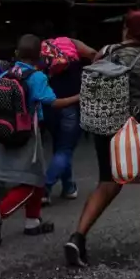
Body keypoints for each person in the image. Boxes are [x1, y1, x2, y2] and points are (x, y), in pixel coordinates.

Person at [64, 9, 140, 268]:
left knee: (108, 182)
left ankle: (78, 238)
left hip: (107, 126)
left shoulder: (105, 52)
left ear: (126, 29)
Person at [0, 35, 74, 246]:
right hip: (27, 133)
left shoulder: (5, 73)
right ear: (39, 56)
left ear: (17, 53)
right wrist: (79, 98)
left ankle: (32, 221)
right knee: (31, 182)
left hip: (7, 131)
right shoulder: (37, 77)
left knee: (36, 176)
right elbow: (53, 102)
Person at [41, 35, 98, 201]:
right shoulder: (72, 45)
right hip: (71, 107)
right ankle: (45, 188)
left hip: (50, 107)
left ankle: (68, 187)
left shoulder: (44, 51)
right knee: (65, 150)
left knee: (60, 148)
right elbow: (94, 54)